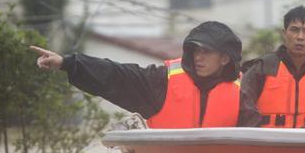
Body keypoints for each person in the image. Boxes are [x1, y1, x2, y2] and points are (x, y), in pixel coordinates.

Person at [31, 21, 262, 128]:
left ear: (225, 59)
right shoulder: (163, 81)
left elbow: (255, 138)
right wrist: (66, 63)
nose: (198, 57)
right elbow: (116, 75)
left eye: (207, 52)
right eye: (195, 51)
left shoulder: (241, 91)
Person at [240, 5, 305, 128]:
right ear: (284, 33)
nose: (300, 37)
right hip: (266, 144)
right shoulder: (262, 68)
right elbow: (243, 110)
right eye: (294, 30)